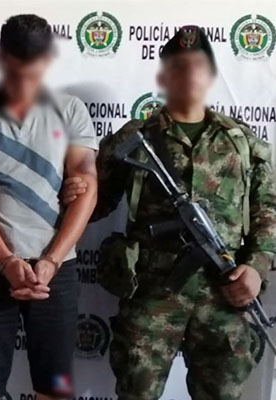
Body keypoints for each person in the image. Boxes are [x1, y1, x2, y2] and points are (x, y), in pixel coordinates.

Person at [89, 26, 276, 399]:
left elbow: (266, 209)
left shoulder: (242, 141)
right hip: (152, 292)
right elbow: (95, 204)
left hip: (223, 290)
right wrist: (73, 188)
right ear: (163, 75)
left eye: (197, 65)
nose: (189, 73)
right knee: (137, 392)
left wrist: (256, 268)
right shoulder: (135, 138)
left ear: (210, 74)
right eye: (178, 65)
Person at [0, 14, 98, 400]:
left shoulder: (71, 111)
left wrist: (51, 260)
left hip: (57, 272)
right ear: (0, 58)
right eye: (16, 73)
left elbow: (87, 186)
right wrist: (6, 261)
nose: (24, 85)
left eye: (33, 73)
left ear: (48, 60)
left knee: (56, 388)